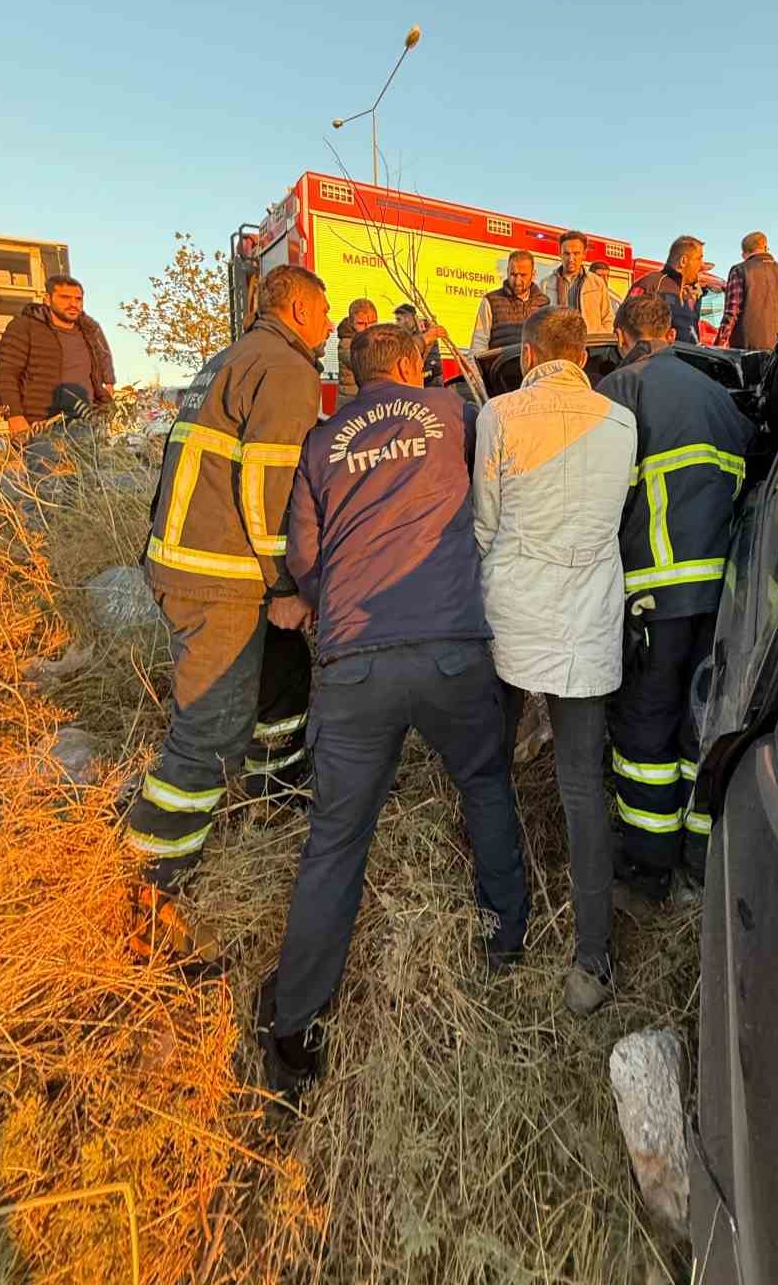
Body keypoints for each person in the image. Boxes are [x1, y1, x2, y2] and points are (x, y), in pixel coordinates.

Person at [261, 322, 529, 1101]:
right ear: (412, 366)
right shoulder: (452, 414)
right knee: (484, 786)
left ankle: (298, 1028)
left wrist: (331, 606)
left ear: (352, 373)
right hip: (450, 645)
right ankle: (504, 945)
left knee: (337, 840)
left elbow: (304, 560)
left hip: (353, 660)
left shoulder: (321, 442)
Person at [124, 265, 331, 963]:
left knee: (281, 686)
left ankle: (274, 796)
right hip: (222, 578)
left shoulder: (229, 358)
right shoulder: (284, 367)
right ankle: (149, 883)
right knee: (212, 726)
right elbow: (271, 486)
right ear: (299, 308)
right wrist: (286, 586)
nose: (330, 328)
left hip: (193, 563)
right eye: (325, 313)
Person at [473, 307, 635, 1016]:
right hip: (588, 615)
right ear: (584, 356)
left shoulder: (500, 415)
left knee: (492, 764)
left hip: (514, 608)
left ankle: (503, 928)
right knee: (581, 786)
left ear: (532, 351)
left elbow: (485, 520)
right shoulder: (621, 422)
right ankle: (592, 958)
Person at [597, 294, 754, 904]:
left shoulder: (622, 388)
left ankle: (645, 866)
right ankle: (698, 857)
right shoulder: (715, 392)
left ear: (621, 335)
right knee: (700, 726)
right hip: (724, 592)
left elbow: (601, 491)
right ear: (670, 330)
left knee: (645, 730)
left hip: (656, 592)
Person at [0, 275, 116, 519]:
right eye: (65, 298)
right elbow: (6, 372)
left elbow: (104, 361)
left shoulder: (90, 329)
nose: (74, 304)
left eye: (78, 299)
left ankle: (77, 540)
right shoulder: (24, 326)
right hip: (42, 420)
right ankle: (38, 548)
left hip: (84, 420)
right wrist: (15, 416)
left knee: (86, 484)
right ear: (47, 298)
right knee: (41, 486)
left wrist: (108, 392)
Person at [716, 231, 778, 350]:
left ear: (744, 254)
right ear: (766, 248)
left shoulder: (740, 270)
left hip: (749, 348)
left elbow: (732, 311)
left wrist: (719, 343)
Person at [628, 236, 707, 343]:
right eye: (699, 258)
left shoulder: (689, 294)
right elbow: (624, 324)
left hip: (687, 358)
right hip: (656, 358)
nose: (702, 265)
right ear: (683, 261)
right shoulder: (650, 285)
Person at [468, 250, 548, 356]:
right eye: (513, 275)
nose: (517, 281)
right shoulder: (491, 301)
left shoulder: (544, 303)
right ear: (507, 272)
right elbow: (479, 344)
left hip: (531, 371)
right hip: (500, 369)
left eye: (523, 275)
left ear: (533, 275)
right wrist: (476, 370)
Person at [541, 232, 614, 336]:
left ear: (584, 254)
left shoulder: (597, 283)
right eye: (566, 253)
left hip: (591, 346)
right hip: (559, 347)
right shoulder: (546, 284)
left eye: (576, 253)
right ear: (560, 254)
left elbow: (608, 318)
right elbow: (542, 321)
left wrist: (600, 340)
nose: (571, 259)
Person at [336, 297, 378, 407]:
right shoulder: (346, 342)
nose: (367, 328)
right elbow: (362, 363)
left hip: (365, 398)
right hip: (350, 400)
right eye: (361, 323)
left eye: (372, 323)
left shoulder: (373, 339)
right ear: (351, 323)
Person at [393, 302, 444, 385]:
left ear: (407, 319)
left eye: (398, 319)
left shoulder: (426, 334)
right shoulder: (406, 335)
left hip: (431, 383)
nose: (396, 323)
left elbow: (433, 367)